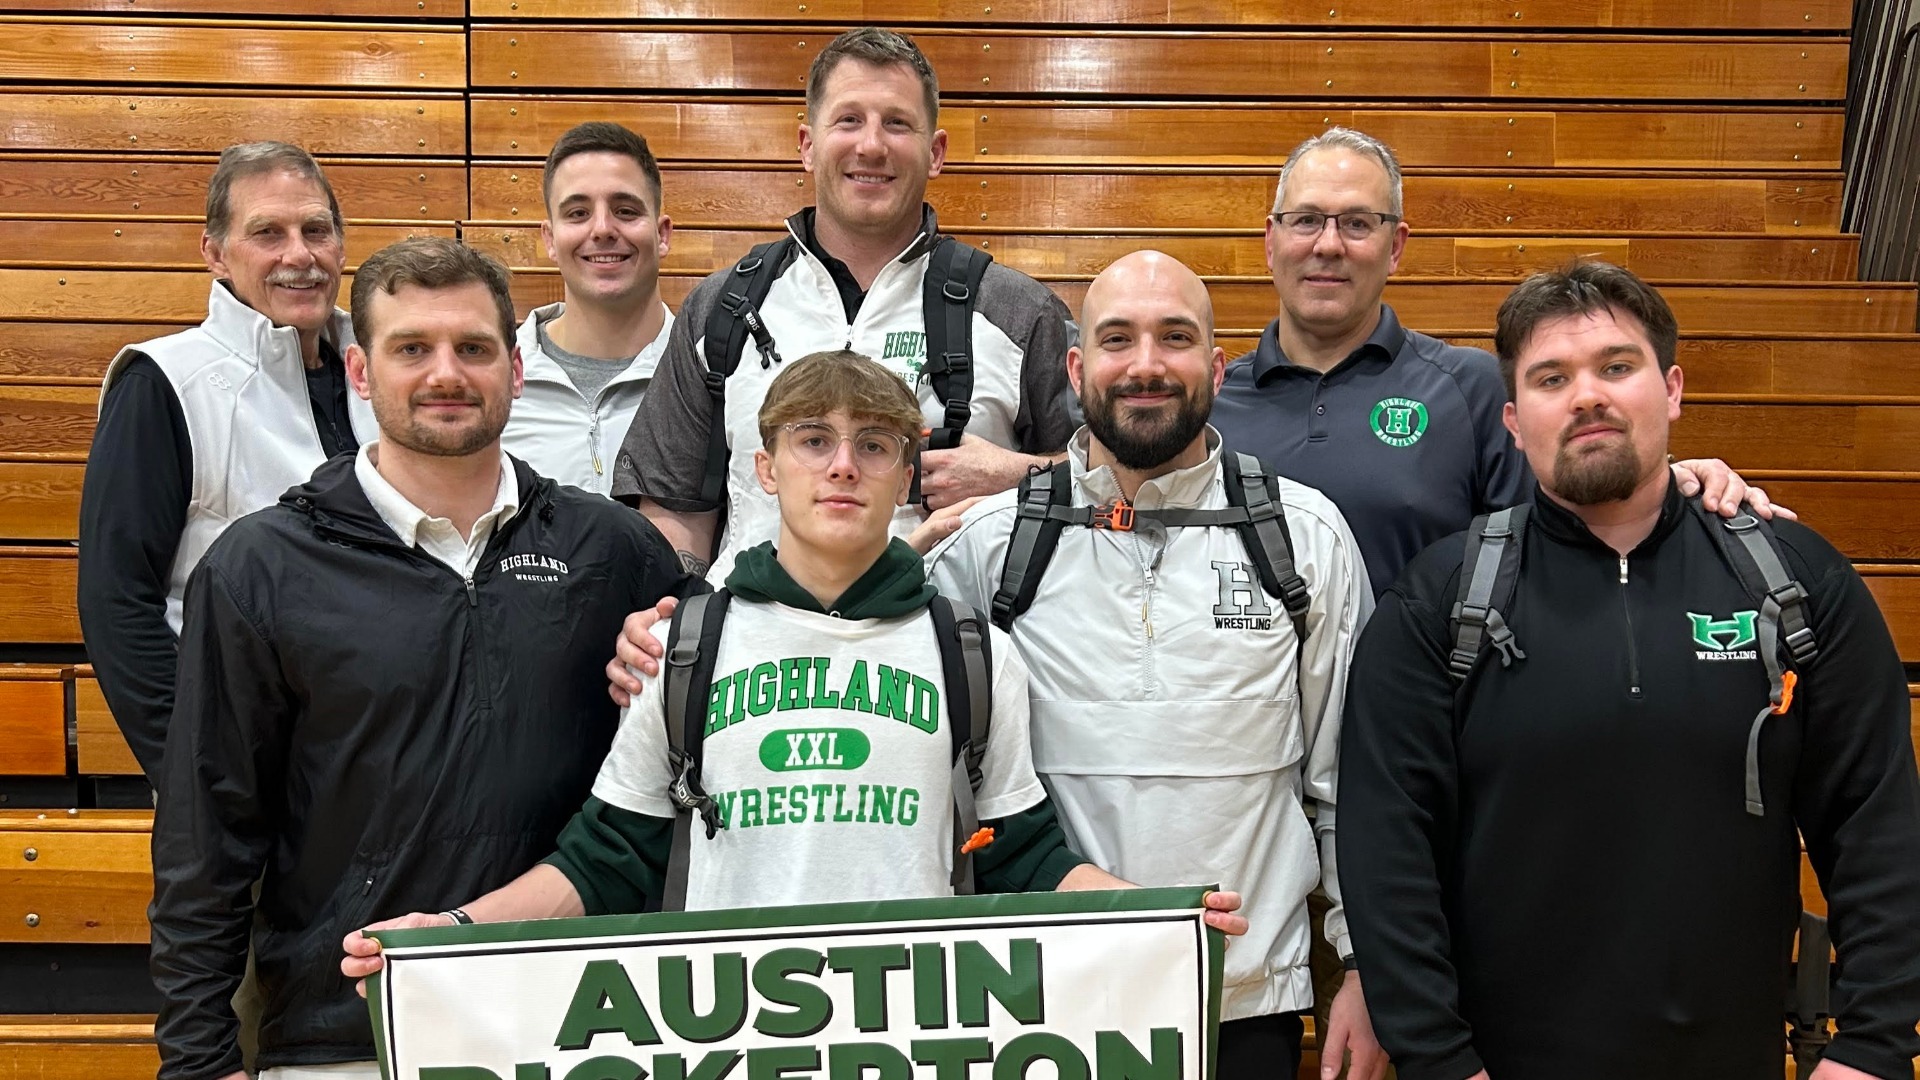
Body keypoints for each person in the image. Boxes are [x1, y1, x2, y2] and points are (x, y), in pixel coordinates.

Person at [340, 350, 1243, 978]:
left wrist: (1161, 914)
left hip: (913, 1038)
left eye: (874, 446)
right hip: (732, 1039)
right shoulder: (685, 646)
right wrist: (452, 932)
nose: (842, 467)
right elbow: (606, 859)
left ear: (904, 475)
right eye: (814, 441)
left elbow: (1022, 857)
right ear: (766, 469)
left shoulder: (971, 651)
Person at [1339, 262, 1920, 1080]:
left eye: (1617, 366)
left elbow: (1877, 826)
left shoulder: (1795, 585)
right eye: (1551, 377)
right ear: (1512, 419)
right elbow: (1386, 849)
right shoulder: (1440, 603)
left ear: (1672, 388)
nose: (1587, 396)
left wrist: (1873, 1046)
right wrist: (1437, 1059)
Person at [147, 237, 698, 1080]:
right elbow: (207, 832)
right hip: (344, 1033)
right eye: (413, 349)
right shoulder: (262, 567)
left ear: (515, 369)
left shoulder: (612, 550)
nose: (447, 373)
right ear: (363, 374)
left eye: (473, 348)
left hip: (581, 1027)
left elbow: (676, 775)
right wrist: (197, 1055)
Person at [920, 251, 1383, 1080]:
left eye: (1174, 338)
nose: (1144, 365)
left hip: (1240, 999)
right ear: (1075, 368)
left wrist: (1362, 966)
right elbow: (937, 783)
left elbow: (1353, 782)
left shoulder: (1304, 539)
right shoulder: (989, 551)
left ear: (1214, 365)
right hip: (1035, 1002)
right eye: (1117, 339)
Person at [1210, 127, 1783, 597]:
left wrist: (1674, 481)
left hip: (1428, 712)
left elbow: (1573, 514)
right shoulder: (1211, 407)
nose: (1329, 244)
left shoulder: (1471, 388)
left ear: (1397, 246)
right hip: (1260, 721)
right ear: (1271, 240)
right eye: (1306, 219)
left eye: (1359, 223)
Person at [611, 26, 1078, 582]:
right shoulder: (722, 309)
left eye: (897, 123)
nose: (872, 146)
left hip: (949, 654)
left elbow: (1117, 482)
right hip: (755, 656)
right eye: (849, 119)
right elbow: (673, 512)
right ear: (807, 146)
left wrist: (1020, 475)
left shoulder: (1020, 313)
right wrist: (673, 616)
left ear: (936, 153)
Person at [77, 140, 373, 783]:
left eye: (316, 230)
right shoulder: (165, 383)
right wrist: (197, 784)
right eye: (267, 232)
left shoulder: (385, 369)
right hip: (242, 781)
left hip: (378, 775)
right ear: (215, 254)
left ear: (342, 245)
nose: (299, 255)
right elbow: (117, 602)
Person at [500, 122, 674, 495]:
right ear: (549, 239)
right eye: (577, 213)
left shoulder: (709, 375)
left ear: (662, 234)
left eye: (626, 210)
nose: (602, 229)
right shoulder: (495, 381)